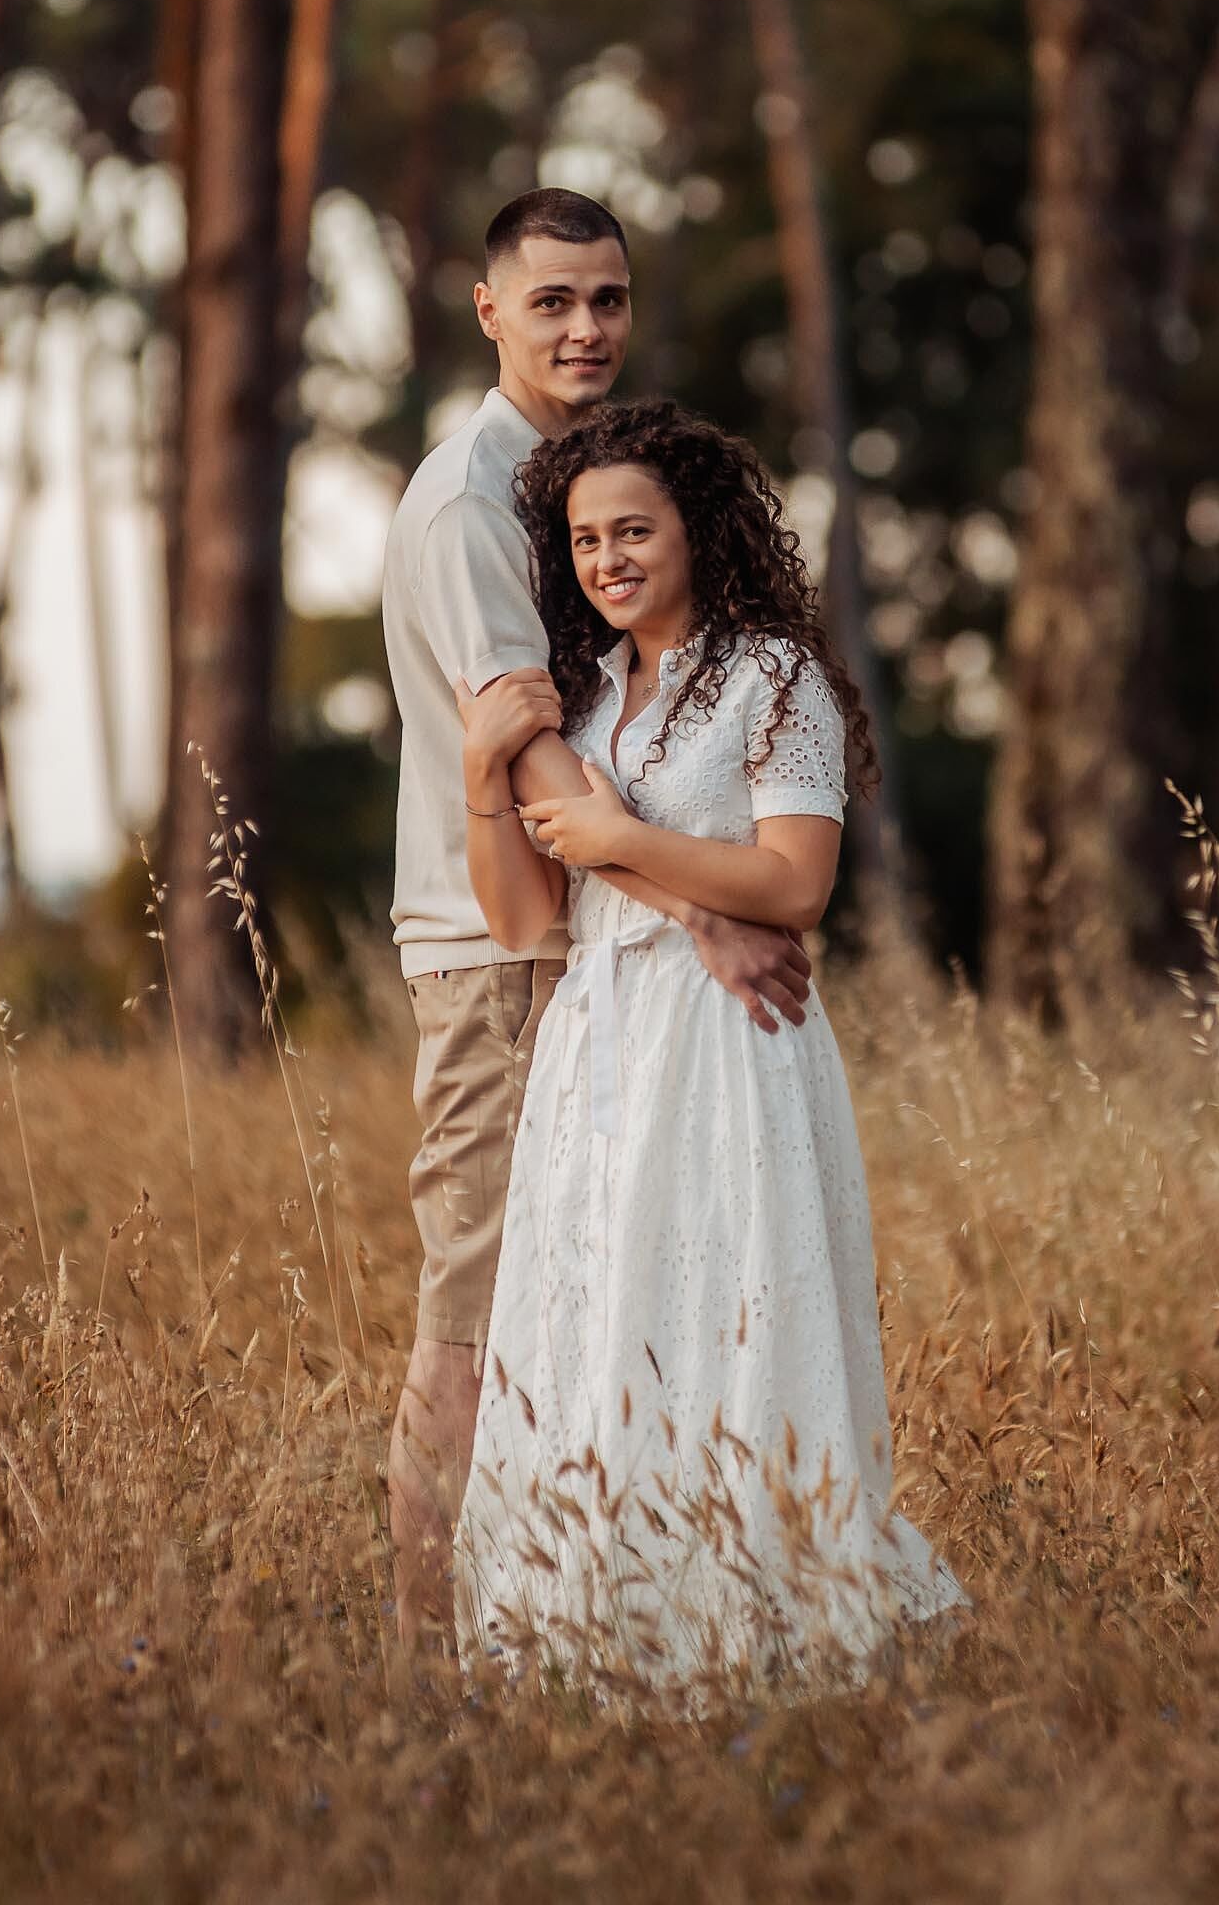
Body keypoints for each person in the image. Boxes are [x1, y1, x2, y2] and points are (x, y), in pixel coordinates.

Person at [452, 400, 965, 1689]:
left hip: (732, 1042)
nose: (610, 559)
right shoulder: (575, 701)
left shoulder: (770, 677)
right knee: (600, 1319)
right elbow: (525, 918)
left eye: (635, 529)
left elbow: (794, 887)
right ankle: (606, 1634)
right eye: (583, 541)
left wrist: (623, 840)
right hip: (596, 1045)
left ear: (699, 530)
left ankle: (767, 1625)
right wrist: (483, 777)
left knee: (727, 1307)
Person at [382, 192, 818, 1649]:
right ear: (489, 310)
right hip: (505, 956)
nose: (586, 328)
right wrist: (703, 910)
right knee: (478, 1324)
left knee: (589, 1309)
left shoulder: (576, 478)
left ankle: (609, 1617)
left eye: (609, 300)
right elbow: (531, 753)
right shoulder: (469, 500)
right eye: (553, 300)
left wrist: (677, 906)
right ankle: (429, 1663)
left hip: (599, 951)